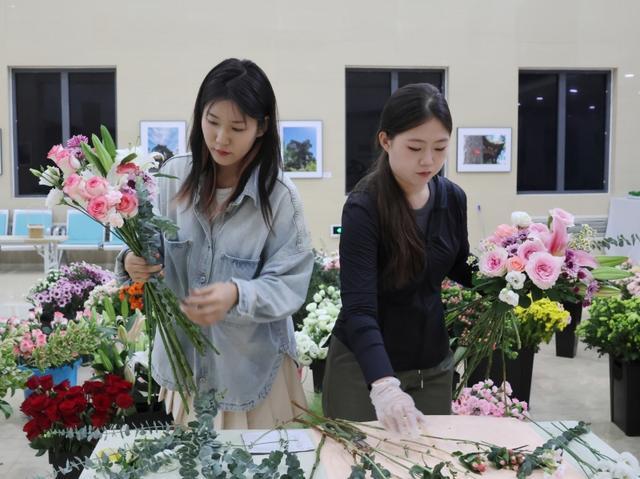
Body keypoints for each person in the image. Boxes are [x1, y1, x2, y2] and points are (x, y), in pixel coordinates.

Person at [116, 58, 314, 428]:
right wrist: (132, 260)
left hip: (252, 371)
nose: (222, 139)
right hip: (185, 365)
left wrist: (237, 295)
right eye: (212, 122)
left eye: (237, 128)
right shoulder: (172, 177)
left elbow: (289, 283)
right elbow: (145, 246)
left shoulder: (280, 198)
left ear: (261, 127)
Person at [322, 83, 472, 437]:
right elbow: (359, 309)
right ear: (386, 141)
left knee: (430, 464)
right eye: (415, 147)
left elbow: (461, 266)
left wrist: (510, 268)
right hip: (366, 372)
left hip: (432, 368)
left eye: (440, 148)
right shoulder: (364, 207)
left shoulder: (452, 198)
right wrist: (384, 386)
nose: (429, 161)